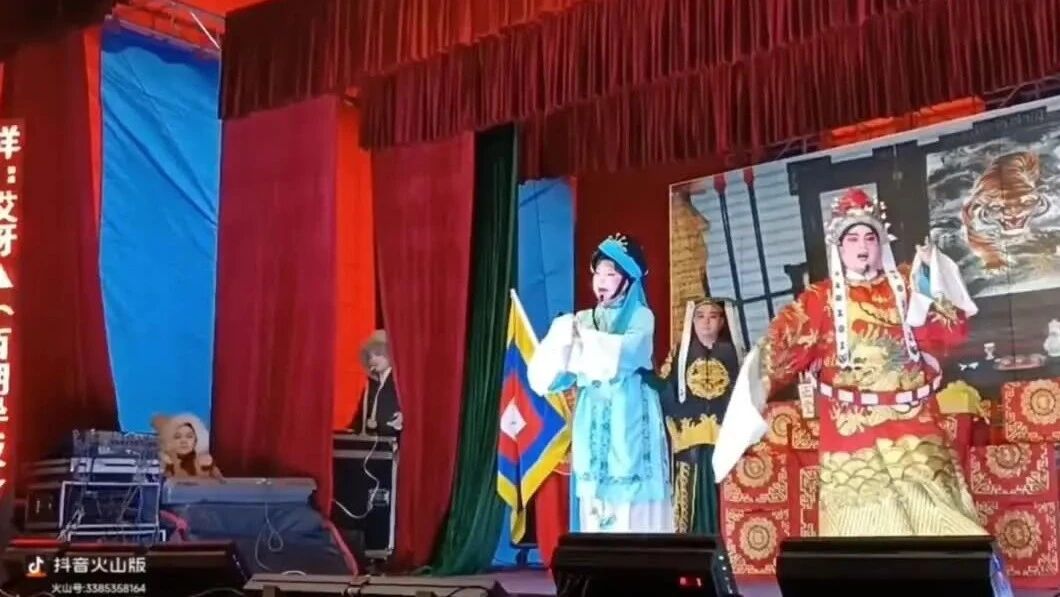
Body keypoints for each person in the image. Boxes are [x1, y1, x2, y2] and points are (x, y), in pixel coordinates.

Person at [714, 187, 987, 537]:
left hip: (913, 424)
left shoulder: (906, 284)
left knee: (939, 516)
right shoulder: (819, 300)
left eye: (870, 238)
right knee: (861, 518)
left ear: (881, 243)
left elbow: (951, 332)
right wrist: (754, 387)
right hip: (852, 431)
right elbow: (780, 349)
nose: (862, 247)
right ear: (839, 247)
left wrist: (932, 275)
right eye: (853, 239)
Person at [527, 233, 672, 533]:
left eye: (611, 274)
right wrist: (561, 345)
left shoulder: (641, 317)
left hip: (629, 409)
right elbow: (560, 373)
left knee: (630, 485)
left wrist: (581, 343)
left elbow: (626, 354)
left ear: (628, 280)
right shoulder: (581, 319)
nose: (601, 281)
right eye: (598, 273)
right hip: (592, 413)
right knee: (593, 491)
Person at [659, 298, 745, 534]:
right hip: (690, 442)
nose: (706, 322)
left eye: (713, 316)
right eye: (700, 316)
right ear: (692, 321)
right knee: (689, 499)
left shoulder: (736, 355)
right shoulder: (680, 354)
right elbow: (665, 391)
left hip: (726, 442)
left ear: (722, 321)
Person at [349, 330, 402, 437]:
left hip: (395, 439)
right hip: (375, 442)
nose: (373, 359)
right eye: (370, 356)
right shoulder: (371, 384)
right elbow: (361, 416)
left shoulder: (399, 381)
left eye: (378, 354)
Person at [153, 413, 223, 479]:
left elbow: (222, 484)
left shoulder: (206, 463)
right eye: (178, 437)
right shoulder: (168, 465)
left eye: (189, 436)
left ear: (196, 440)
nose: (183, 441)